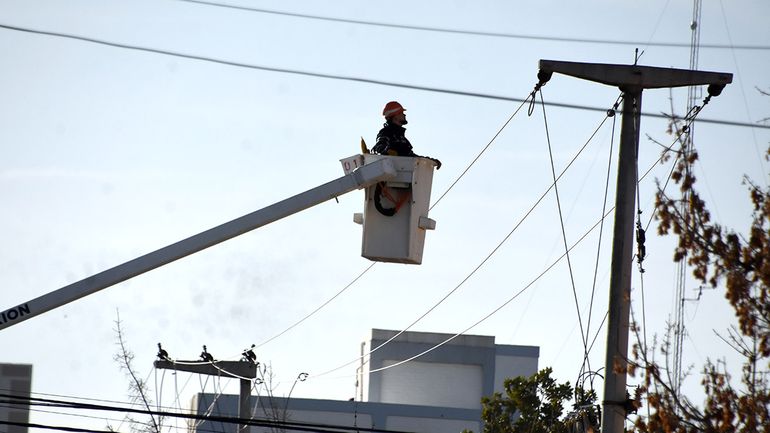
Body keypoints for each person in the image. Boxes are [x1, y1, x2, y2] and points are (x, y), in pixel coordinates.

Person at [372, 101, 441, 169]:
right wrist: (387, 151)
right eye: (401, 113)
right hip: (394, 175)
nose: (404, 115)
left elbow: (410, 156)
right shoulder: (386, 132)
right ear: (395, 117)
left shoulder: (400, 137)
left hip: (402, 171)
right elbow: (379, 147)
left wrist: (429, 161)